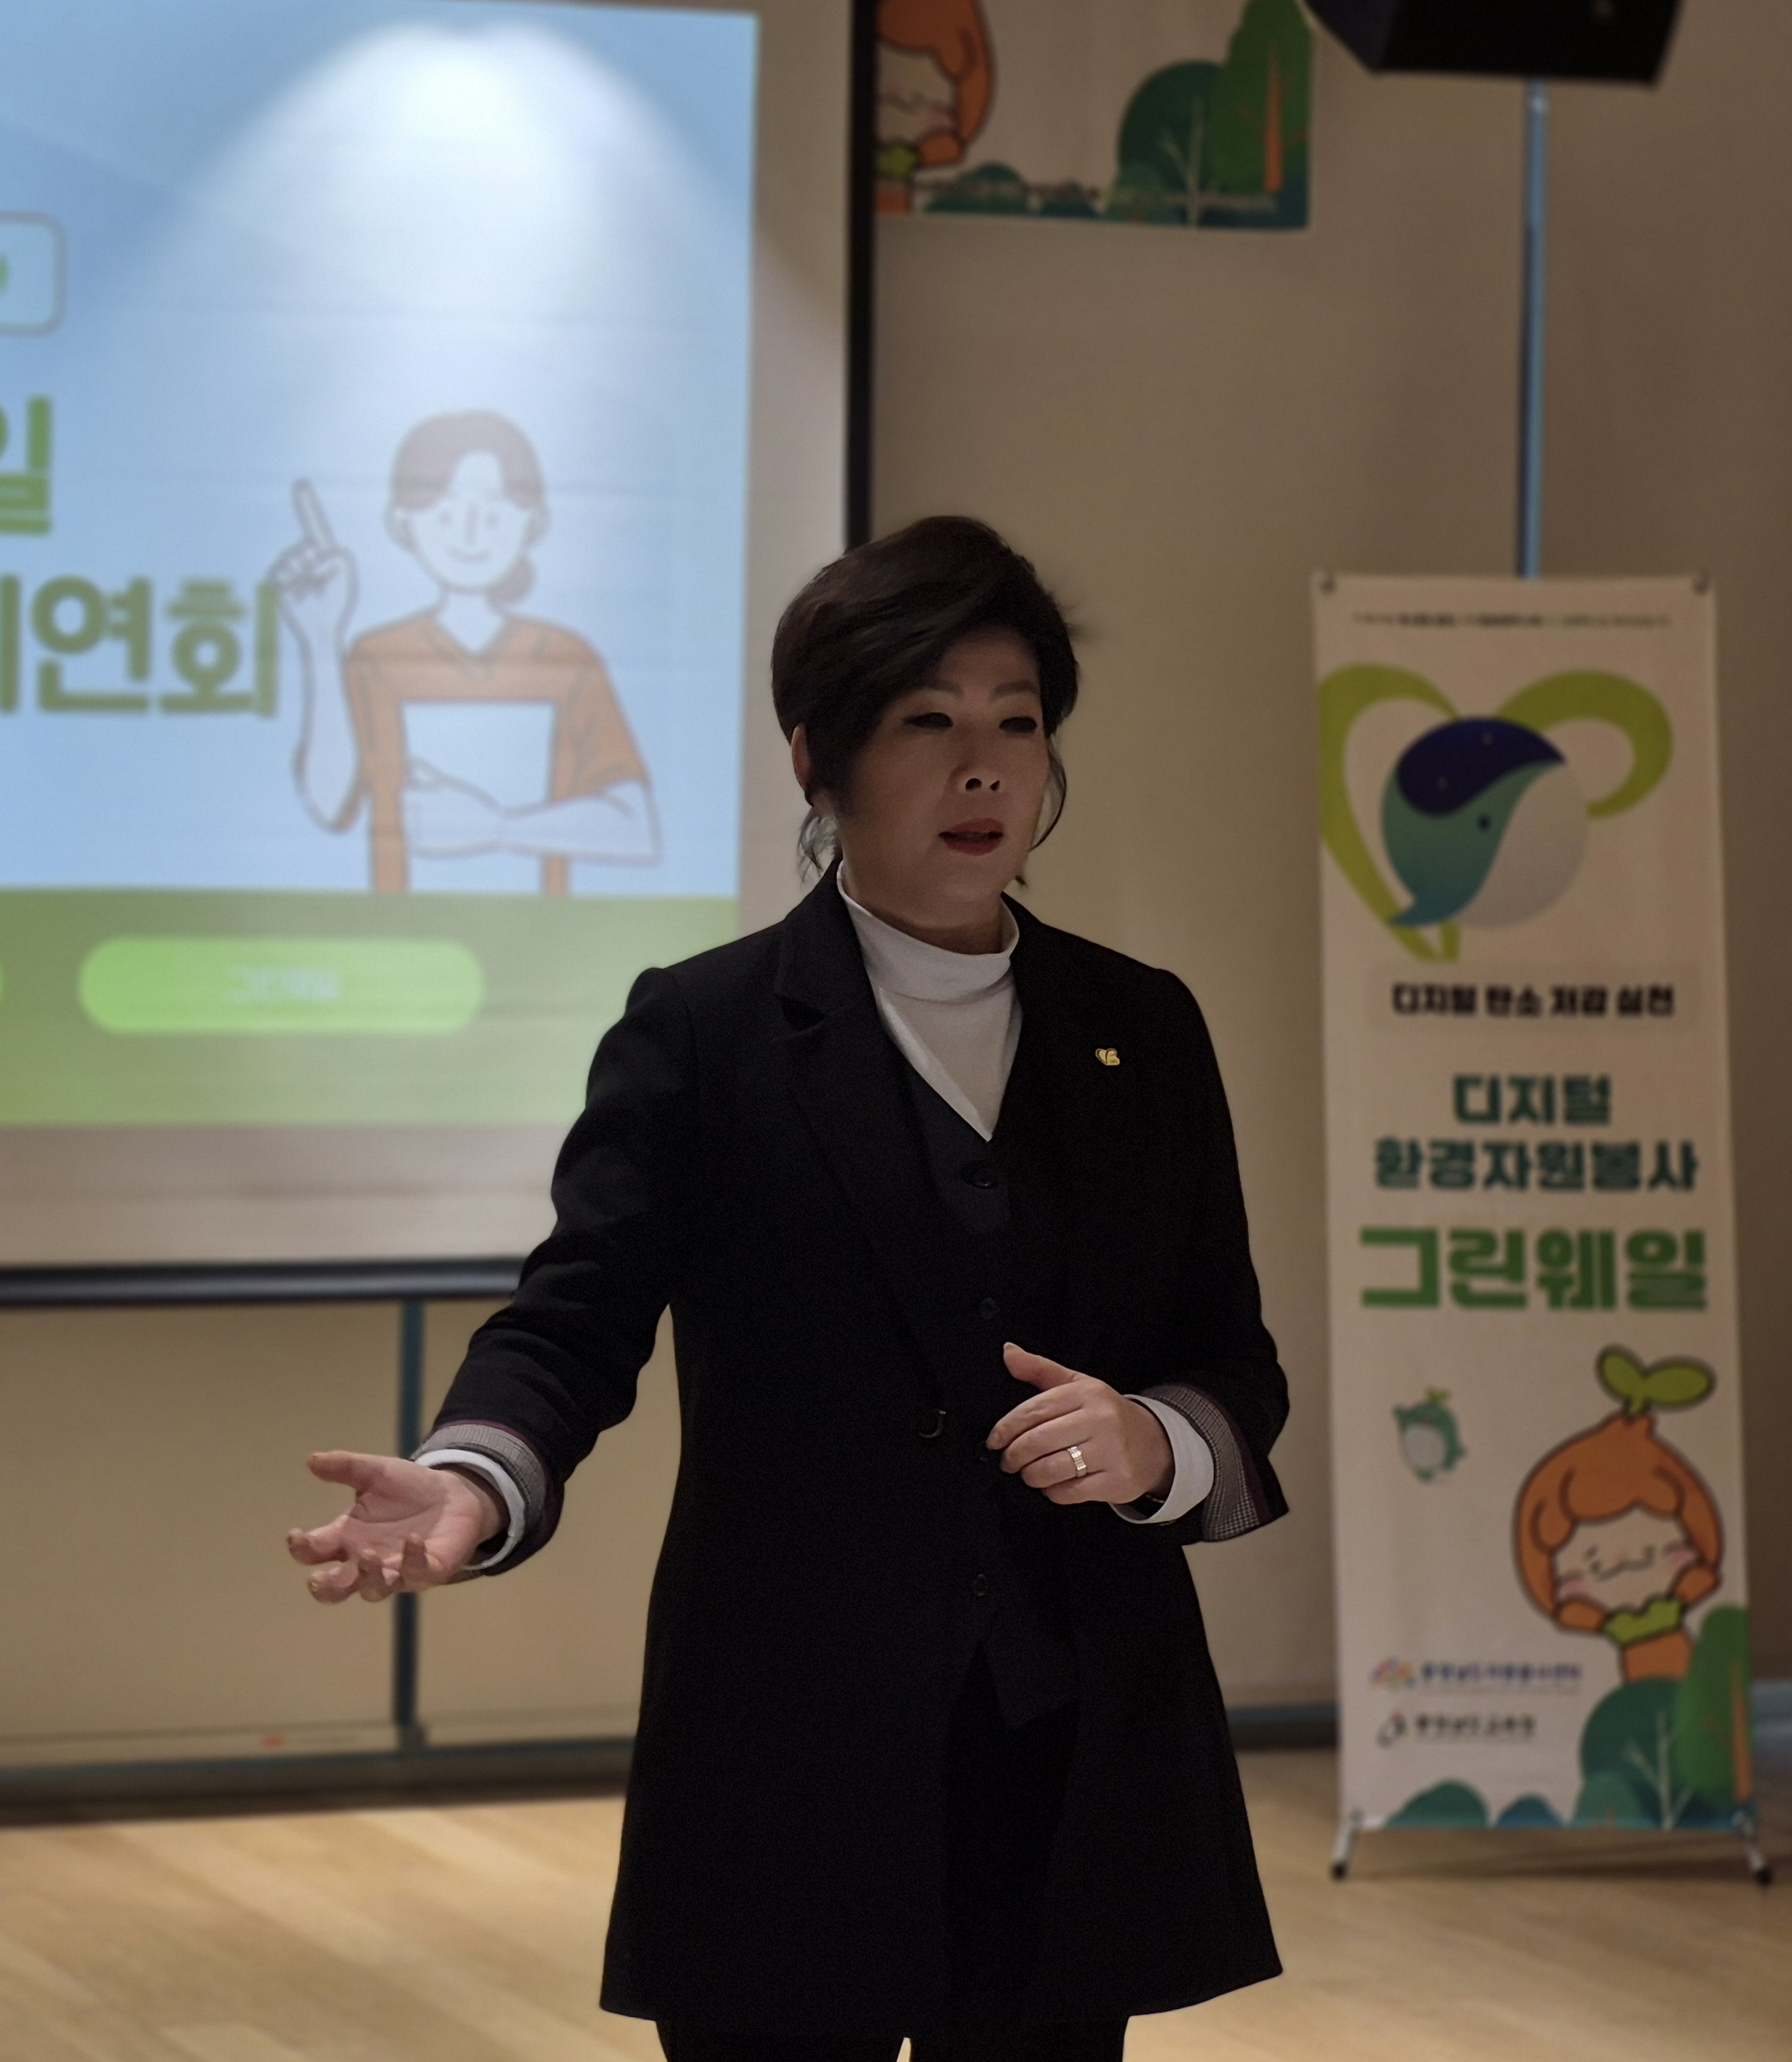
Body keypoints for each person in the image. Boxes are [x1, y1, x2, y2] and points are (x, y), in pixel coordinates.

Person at [288, 517, 1289, 2061]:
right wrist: (475, 1477)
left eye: (1017, 724)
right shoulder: (707, 1031)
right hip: (786, 1745)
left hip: (1069, 1742)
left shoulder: (1138, 1028)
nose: (983, 770)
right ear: (817, 758)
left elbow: (1231, 1353)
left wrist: (1158, 1441)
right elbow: (573, 1320)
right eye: (927, 722)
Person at [270, 409, 657, 893]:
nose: (470, 534)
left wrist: (496, 828)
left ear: (534, 523)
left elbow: (636, 827)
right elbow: (330, 805)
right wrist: (322, 640)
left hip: (543, 928)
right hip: (397, 929)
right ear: (402, 523)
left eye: (494, 514)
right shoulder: (376, 657)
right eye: (446, 513)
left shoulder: (566, 657)